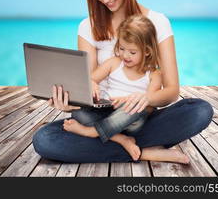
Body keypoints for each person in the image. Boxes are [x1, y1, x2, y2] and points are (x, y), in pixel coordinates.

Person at [32, 0, 213, 163]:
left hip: (141, 116)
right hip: (99, 115)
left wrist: (145, 98)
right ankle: (143, 150)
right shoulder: (87, 27)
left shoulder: (158, 22)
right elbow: (90, 85)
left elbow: (172, 91)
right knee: (44, 140)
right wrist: (69, 101)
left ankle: (109, 140)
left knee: (200, 110)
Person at [63, 15, 189, 163]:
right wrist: (92, 84)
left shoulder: (154, 74)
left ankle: (90, 132)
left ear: (147, 51)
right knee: (78, 112)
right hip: (106, 113)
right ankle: (122, 140)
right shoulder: (114, 63)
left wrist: (128, 102)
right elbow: (89, 80)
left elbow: (148, 105)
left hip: (130, 120)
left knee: (136, 109)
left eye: (132, 52)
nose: (125, 55)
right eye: (122, 48)